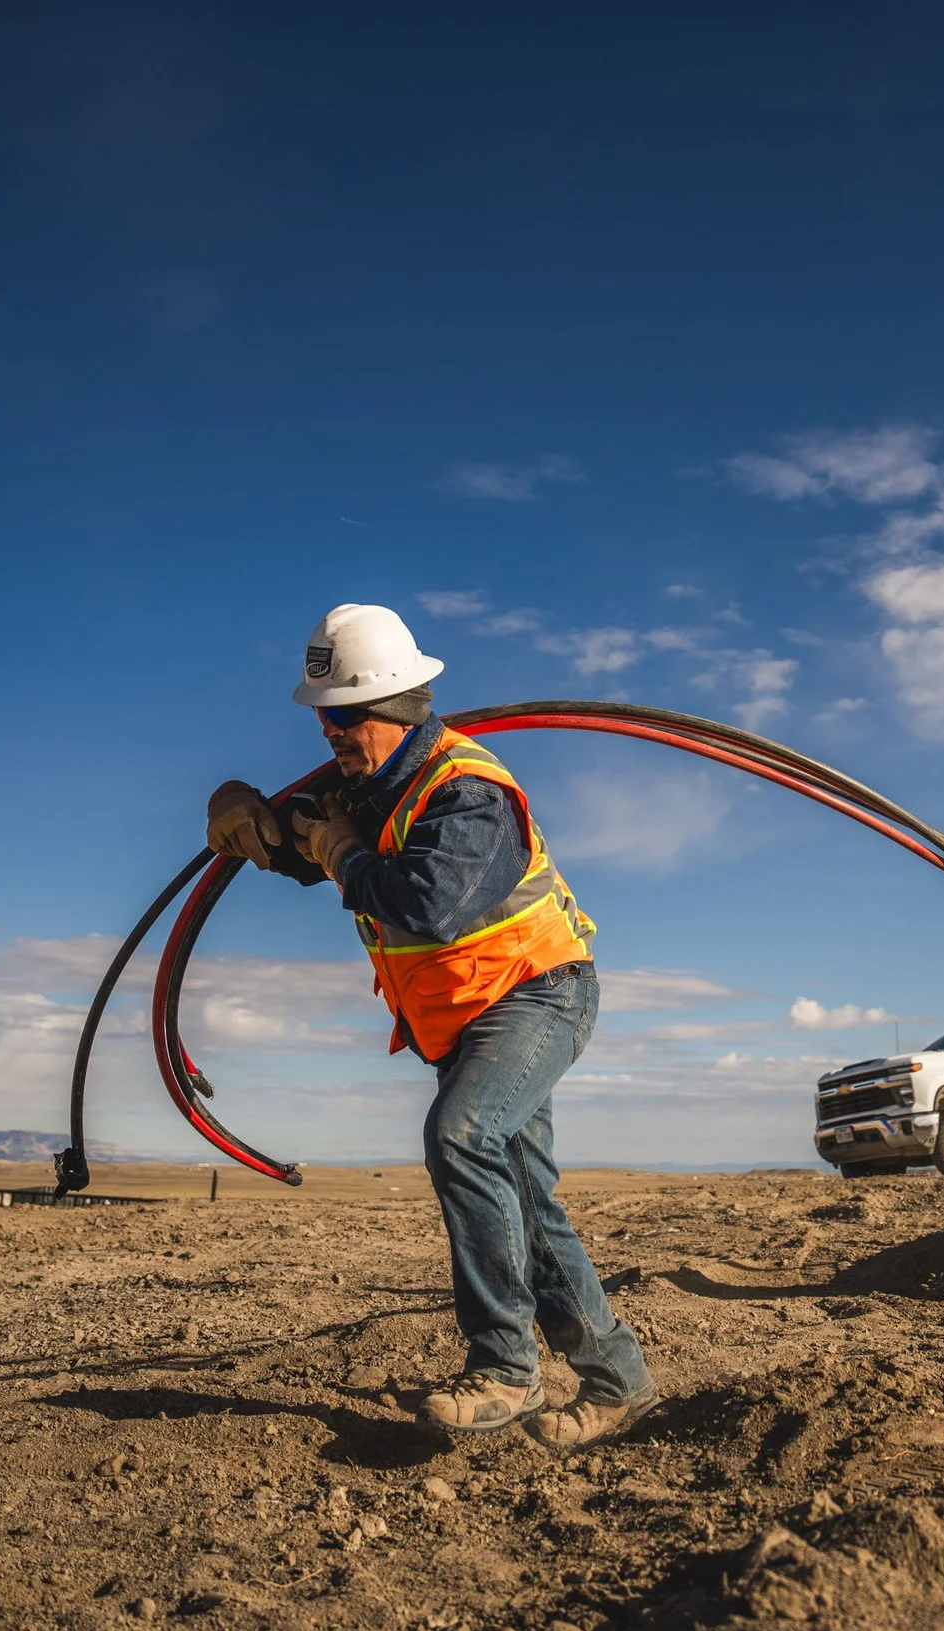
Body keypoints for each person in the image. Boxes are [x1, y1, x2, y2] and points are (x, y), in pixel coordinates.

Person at [204, 603, 657, 1449]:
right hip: (477, 1017)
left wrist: (337, 848)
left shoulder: (466, 793)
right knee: (524, 1191)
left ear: (395, 708)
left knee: (463, 1134)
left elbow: (422, 904)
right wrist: (248, 814)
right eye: (322, 718)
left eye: (342, 717)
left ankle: (504, 1370)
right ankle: (618, 1380)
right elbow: (306, 847)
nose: (330, 734)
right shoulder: (372, 788)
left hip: (539, 995)